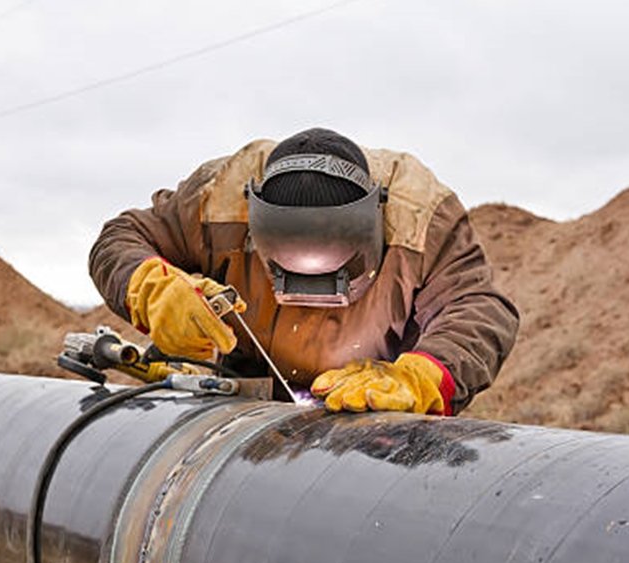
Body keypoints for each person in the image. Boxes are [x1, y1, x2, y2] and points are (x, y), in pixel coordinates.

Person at [88, 127, 518, 415]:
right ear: (255, 220)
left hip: (375, 416)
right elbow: (120, 239)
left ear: (376, 213)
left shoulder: (421, 219)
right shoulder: (216, 201)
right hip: (243, 406)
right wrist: (150, 285)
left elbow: (478, 308)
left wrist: (423, 374)